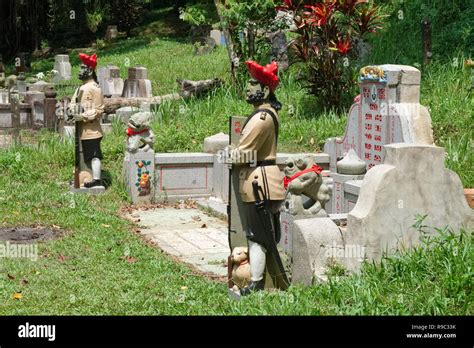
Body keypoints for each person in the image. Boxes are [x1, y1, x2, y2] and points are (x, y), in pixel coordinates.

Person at [228, 60, 288, 296]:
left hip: (259, 183)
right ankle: (261, 280)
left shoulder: (261, 118)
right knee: (261, 235)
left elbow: (245, 152)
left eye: (253, 84)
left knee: (257, 236)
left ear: (264, 90)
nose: (247, 87)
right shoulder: (262, 114)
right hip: (260, 180)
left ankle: (256, 283)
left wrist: (228, 155)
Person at [69, 53, 105, 188]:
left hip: (91, 129)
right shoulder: (80, 87)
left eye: (82, 68)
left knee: (93, 154)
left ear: (90, 70)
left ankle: (96, 179)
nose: (79, 71)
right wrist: (70, 111)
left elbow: (99, 109)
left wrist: (83, 116)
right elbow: (73, 103)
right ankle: (82, 176)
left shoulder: (95, 88)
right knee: (81, 155)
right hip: (80, 129)